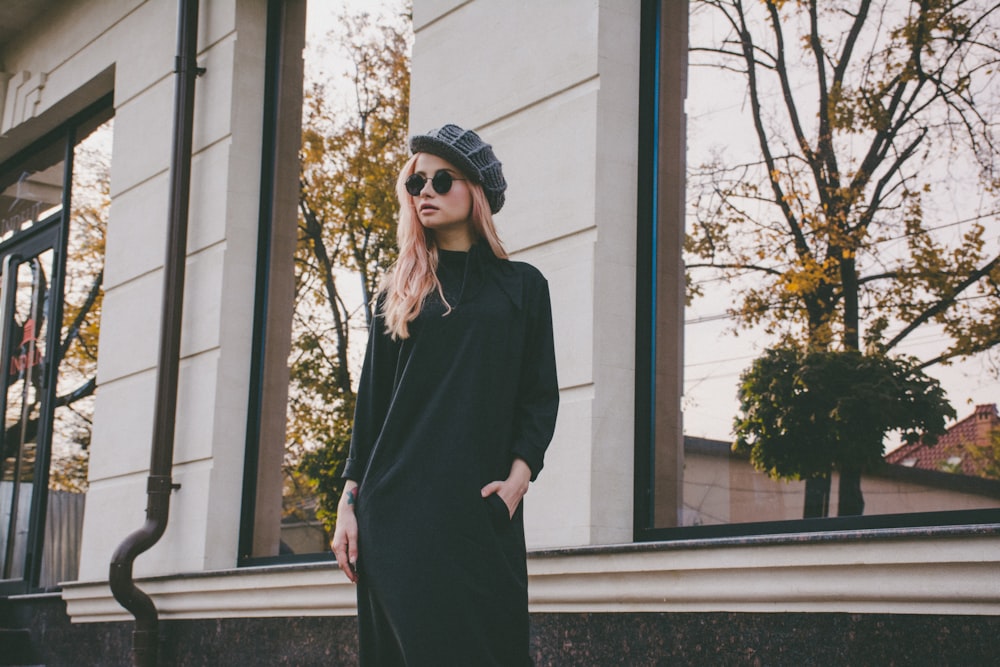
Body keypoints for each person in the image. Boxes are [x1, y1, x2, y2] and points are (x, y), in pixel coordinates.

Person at [331, 124, 559, 666]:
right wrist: (349, 502)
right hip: (396, 515)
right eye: (415, 184)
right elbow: (373, 406)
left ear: (476, 190)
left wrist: (519, 478)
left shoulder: (523, 287)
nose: (425, 191)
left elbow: (539, 394)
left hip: (479, 512)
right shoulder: (400, 291)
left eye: (440, 179)